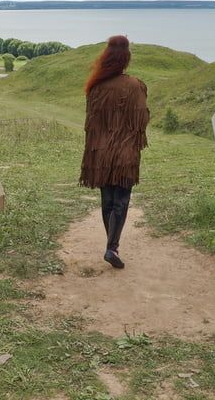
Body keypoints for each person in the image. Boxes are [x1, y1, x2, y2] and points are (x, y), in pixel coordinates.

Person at [79, 35, 149, 269]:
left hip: (99, 154)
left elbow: (91, 124)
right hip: (124, 154)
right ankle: (112, 248)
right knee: (121, 201)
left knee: (107, 201)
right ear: (126, 57)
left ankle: (111, 245)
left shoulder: (95, 87)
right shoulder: (135, 85)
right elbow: (140, 122)